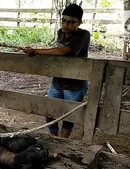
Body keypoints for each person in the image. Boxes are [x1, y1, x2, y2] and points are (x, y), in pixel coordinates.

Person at [21, 4, 90, 138]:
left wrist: (35, 51)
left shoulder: (83, 35)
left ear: (79, 22)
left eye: (71, 22)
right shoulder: (60, 33)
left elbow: (62, 51)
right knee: (49, 112)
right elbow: (56, 52)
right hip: (57, 81)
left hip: (75, 85)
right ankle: (55, 138)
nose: (66, 25)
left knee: (68, 116)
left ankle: (62, 142)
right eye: (63, 20)